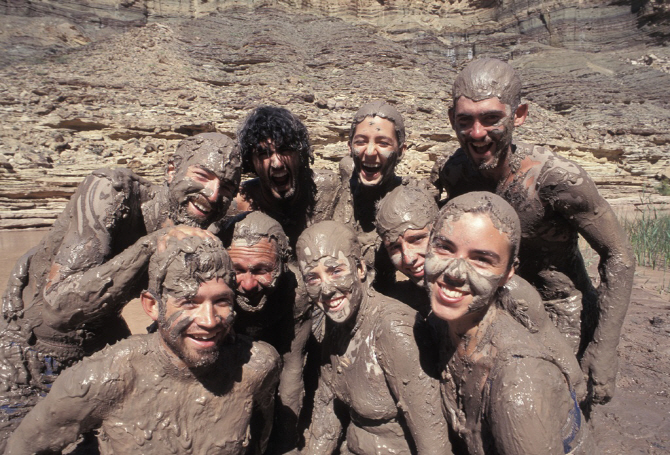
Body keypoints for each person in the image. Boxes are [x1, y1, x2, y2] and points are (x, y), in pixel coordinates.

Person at [0, 132, 241, 447]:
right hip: (28, 354)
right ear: (172, 170)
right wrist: (152, 244)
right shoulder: (112, 192)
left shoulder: (208, 220)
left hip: (101, 352)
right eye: (202, 176)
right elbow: (57, 309)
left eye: (227, 187)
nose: (213, 193)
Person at [431, 57, 635, 407]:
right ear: (452, 119)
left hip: (559, 313)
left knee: (546, 410)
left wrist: (605, 347)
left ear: (519, 114)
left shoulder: (555, 180)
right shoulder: (456, 172)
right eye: (465, 121)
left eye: (491, 118)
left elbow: (620, 255)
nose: (477, 133)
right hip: (491, 306)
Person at [4, 233, 280, 455]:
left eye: (221, 301)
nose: (209, 320)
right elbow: (25, 447)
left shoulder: (257, 366)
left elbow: (261, 439)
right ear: (151, 305)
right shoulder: (104, 378)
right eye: (188, 302)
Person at [375, 185, 586, 400]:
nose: (408, 258)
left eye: (418, 239)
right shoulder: (402, 299)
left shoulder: (512, 293)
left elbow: (570, 374)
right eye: (394, 247)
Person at [426, 192, 595, 455]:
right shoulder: (441, 325)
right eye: (444, 248)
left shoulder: (517, 382)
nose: (454, 272)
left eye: (481, 259)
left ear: (508, 273)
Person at [296, 221, 452, 455]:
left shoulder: (395, 329)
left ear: (359, 268)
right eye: (313, 279)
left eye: (335, 271)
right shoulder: (336, 323)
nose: (326, 290)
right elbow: (326, 415)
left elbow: (433, 442)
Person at [221, 211, 311, 453]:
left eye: (262, 270)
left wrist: (286, 439)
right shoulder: (216, 287)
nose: (248, 284)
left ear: (282, 263)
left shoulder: (296, 293)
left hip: (272, 361)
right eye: (237, 270)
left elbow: (293, 365)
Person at [333, 100, 421, 289]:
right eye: (361, 142)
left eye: (383, 143)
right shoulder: (335, 191)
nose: (370, 152)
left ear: (401, 151)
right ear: (350, 147)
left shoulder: (412, 201)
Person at [232, 106, 340, 249]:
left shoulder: (329, 191)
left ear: (300, 154)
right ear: (251, 162)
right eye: (264, 154)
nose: (277, 163)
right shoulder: (240, 203)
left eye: (285, 149)